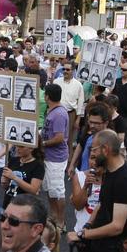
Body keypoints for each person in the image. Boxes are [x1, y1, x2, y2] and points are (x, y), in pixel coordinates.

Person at [40, 84, 69, 224]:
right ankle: (53, 216)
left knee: (57, 191)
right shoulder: (53, 111)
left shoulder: (58, 114)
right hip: (48, 156)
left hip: (56, 158)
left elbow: (59, 138)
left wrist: (43, 144)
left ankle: (61, 221)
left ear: (47, 96)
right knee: (49, 189)